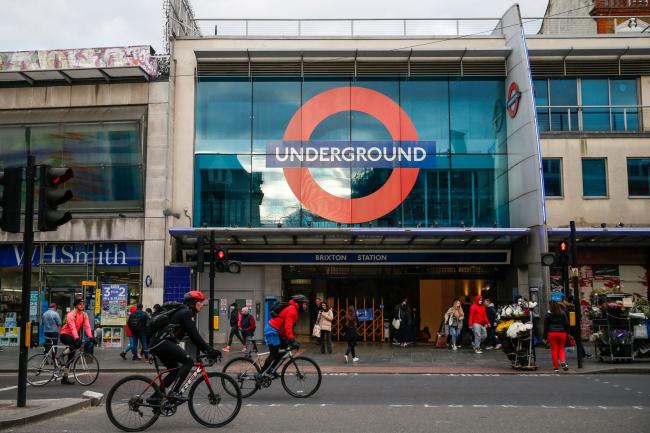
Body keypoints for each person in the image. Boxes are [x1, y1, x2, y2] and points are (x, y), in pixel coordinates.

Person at [149, 291, 219, 402]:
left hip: (157, 343)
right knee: (189, 362)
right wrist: (210, 350)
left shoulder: (183, 311)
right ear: (194, 302)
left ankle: (155, 397)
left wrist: (207, 350)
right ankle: (174, 392)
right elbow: (195, 335)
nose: (202, 305)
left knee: (175, 370)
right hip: (162, 343)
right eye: (200, 302)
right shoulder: (186, 313)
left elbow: (193, 338)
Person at [260, 294, 308, 377]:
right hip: (272, 331)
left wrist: (290, 341)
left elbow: (286, 328)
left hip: (278, 332)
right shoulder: (292, 310)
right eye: (304, 304)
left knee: (284, 350)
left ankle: (272, 369)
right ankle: (261, 374)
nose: (305, 306)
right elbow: (288, 327)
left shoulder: (294, 310)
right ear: (299, 303)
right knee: (273, 354)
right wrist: (292, 340)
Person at [58, 298, 92, 385]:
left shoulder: (84, 315)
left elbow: (87, 326)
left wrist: (91, 337)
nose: (82, 305)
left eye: (83, 304)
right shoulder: (71, 314)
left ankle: (65, 378)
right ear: (76, 305)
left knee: (70, 359)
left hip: (73, 336)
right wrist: (77, 338)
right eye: (80, 304)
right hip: (64, 335)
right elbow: (72, 327)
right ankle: (61, 355)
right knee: (77, 343)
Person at [544, 301, 570, 373]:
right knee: (561, 349)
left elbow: (545, 326)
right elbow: (567, 323)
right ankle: (562, 361)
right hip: (562, 333)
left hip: (552, 333)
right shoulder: (562, 313)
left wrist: (545, 336)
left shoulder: (548, 314)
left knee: (554, 350)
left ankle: (556, 368)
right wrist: (567, 332)